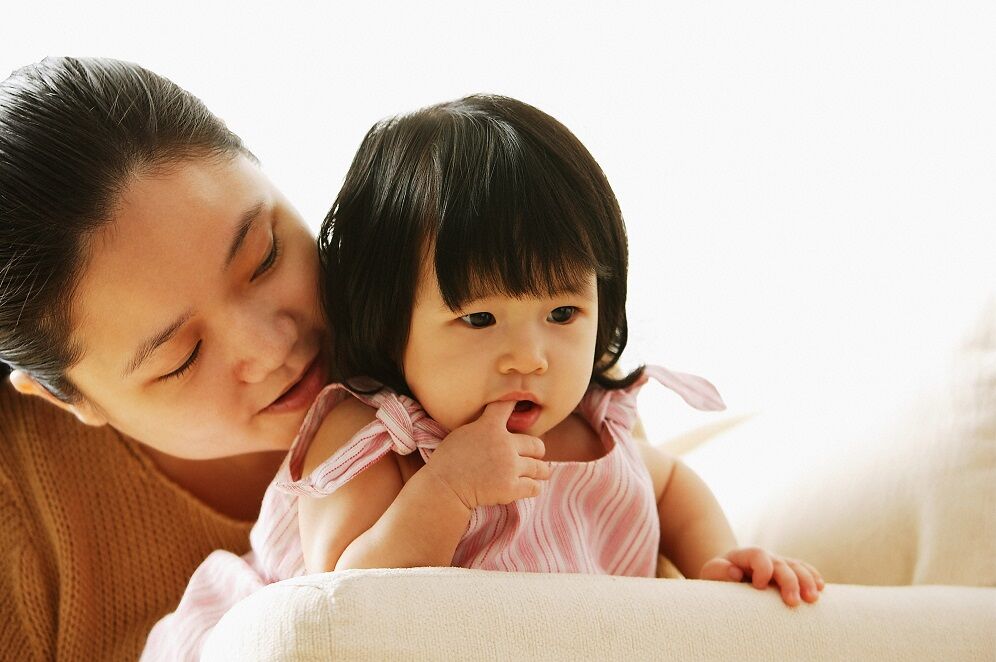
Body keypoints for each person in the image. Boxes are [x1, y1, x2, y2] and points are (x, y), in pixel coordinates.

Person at [144, 95, 824, 660]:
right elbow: (341, 597)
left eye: (562, 311)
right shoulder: (374, 436)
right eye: (478, 319)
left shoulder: (594, 425)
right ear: (389, 325)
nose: (529, 356)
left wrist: (720, 563)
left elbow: (672, 485)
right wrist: (447, 489)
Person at [0, 57, 329, 660]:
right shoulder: (23, 529)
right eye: (182, 358)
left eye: (265, 255)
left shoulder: (458, 294)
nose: (271, 345)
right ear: (69, 399)